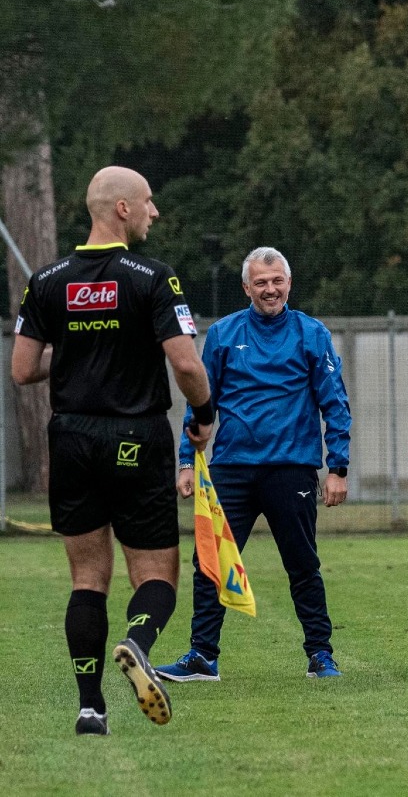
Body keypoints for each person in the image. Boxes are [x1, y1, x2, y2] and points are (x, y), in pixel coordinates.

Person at [12, 166, 215, 735]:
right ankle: (139, 642)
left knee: (87, 578)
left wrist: (78, 351)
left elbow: (23, 369)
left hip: (71, 438)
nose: (155, 212)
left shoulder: (47, 279)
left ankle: (89, 707)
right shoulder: (153, 277)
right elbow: (186, 364)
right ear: (122, 209)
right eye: (149, 202)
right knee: (157, 572)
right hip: (136, 437)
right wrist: (203, 416)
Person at [156, 247, 351, 682]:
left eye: (277, 280)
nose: (270, 289)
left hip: (292, 468)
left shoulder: (311, 333)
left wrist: (337, 467)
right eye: (261, 282)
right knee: (211, 561)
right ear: (246, 287)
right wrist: (187, 460)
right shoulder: (224, 333)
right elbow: (200, 401)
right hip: (231, 469)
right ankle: (203, 656)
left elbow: (334, 402)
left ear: (289, 283)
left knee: (303, 566)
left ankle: (320, 655)